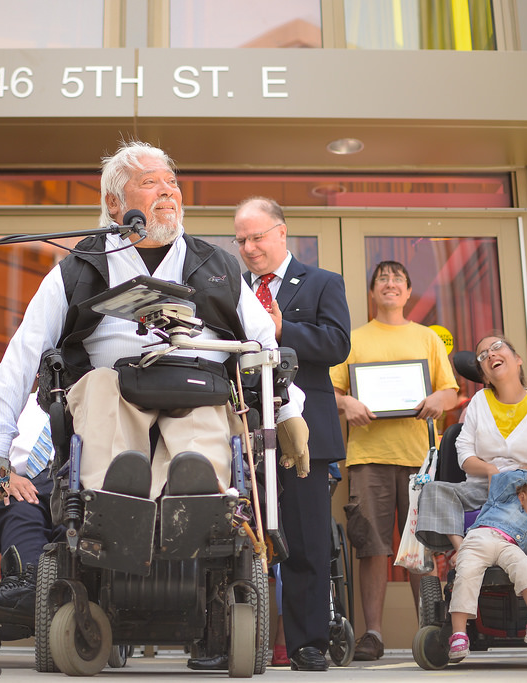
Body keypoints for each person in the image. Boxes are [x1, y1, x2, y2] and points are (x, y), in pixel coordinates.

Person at [0, 139, 307, 516]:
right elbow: (23, 355)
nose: (168, 189)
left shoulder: (217, 265)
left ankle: (193, 498)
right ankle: (117, 499)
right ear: (115, 204)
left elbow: (264, 347)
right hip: (111, 387)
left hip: (198, 387)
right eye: (150, 182)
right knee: (99, 389)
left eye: (171, 182)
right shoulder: (79, 268)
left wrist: (288, 412)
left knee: (207, 417)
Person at [233, 196, 351, 671]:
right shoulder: (232, 288)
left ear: (281, 233)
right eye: (241, 240)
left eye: (257, 237)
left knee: (306, 540)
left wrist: (284, 329)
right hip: (243, 429)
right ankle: (230, 641)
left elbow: (338, 343)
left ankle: (308, 644)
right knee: (237, 536)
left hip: (307, 433)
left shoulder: (323, 282)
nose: (249, 247)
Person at [329, 260, 459, 661]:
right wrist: (347, 402)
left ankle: (430, 630)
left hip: (421, 460)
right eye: (382, 279)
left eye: (397, 280)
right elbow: (330, 394)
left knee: (422, 547)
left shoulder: (427, 339)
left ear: (407, 293)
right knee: (372, 547)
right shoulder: (352, 340)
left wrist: (439, 399)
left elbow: (450, 391)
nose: (389, 284)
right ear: (373, 293)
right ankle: (373, 634)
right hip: (368, 457)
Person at [416, 335, 527, 561]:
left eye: (497, 347)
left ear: (517, 359)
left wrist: (523, 475)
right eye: (483, 355)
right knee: (434, 490)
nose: (490, 354)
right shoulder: (479, 402)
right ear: (485, 375)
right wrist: (491, 471)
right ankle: (463, 549)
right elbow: (464, 454)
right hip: (485, 490)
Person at [446, 469, 527, 662]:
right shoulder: (502, 499)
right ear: (522, 497)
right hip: (480, 538)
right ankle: (459, 635)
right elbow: (502, 479)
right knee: (466, 575)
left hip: (509, 547)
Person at [0, 392, 63, 626]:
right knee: (19, 505)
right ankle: (27, 583)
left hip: (74, 483)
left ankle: (68, 590)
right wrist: (6, 478)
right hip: (16, 482)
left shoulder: (100, 400)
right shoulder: (11, 400)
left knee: (75, 522)